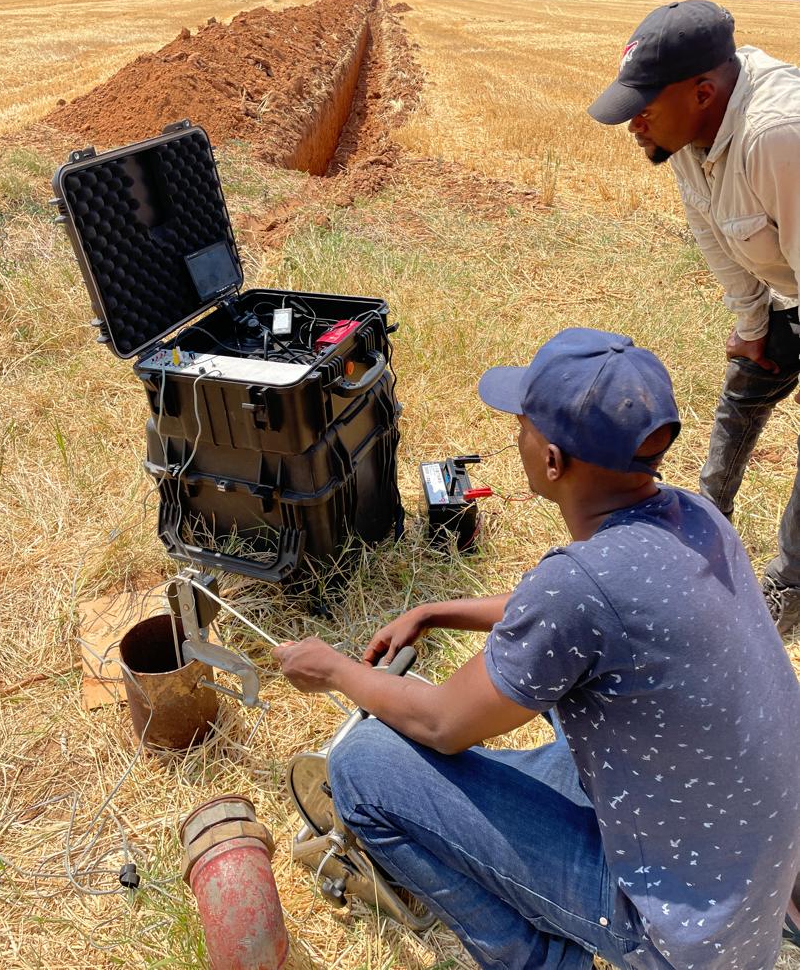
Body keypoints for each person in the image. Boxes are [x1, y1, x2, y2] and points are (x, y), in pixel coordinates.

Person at [273, 328, 800, 970]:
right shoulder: (695, 517)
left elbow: (442, 724)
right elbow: (577, 619)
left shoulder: (579, 588)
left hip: (672, 929)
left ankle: (541, 959)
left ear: (552, 461)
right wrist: (438, 610)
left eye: (520, 422)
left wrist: (332, 669)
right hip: (748, 883)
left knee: (363, 764)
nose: (514, 433)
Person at [587, 0, 800, 638]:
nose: (633, 126)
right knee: (745, 384)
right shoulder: (685, 136)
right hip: (788, 284)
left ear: (703, 92)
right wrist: (754, 327)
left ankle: (790, 589)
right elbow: (715, 236)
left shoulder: (779, 137)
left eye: (642, 110)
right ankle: (704, 523)